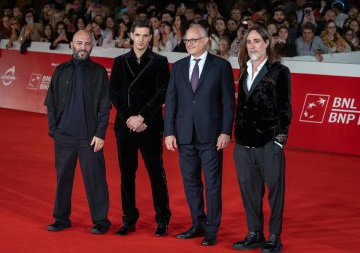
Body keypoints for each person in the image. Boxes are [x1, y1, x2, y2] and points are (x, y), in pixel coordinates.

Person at [164, 24, 235, 246]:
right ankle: (197, 223)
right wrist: (169, 133)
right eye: (187, 40)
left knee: (213, 184)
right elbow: (171, 101)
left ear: (206, 40)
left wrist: (225, 131)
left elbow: (228, 103)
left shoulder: (221, 66)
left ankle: (212, 229)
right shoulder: (177, 67)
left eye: (194, 40)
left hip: (212, 136)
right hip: (184, 135)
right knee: (191, 182)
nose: (190, 44)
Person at [44, 30, 112, 235]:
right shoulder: (60, 71)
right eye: (79, 43)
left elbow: (104, 106)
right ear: (71, 45)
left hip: (89, 138)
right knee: (62, 179)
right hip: (63, 136)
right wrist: (53, 131)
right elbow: (51, 103)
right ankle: (61, 219)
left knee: (96, 180)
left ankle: (101, 221)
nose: (83, 47)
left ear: (92, 46)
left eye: (87, 44)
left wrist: (100, 134)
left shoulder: (99, 72)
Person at [232, 25, 292, 253]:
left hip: (269, 143)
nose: (252, 45)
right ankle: (254, 233)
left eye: (257, 41)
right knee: (249, 191)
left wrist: (279, 140)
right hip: (243, 145)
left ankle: (275, 237)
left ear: (267, 43)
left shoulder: (279, 71)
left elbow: (286, 109)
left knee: (275, 192)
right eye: (249, 42)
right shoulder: (243, 70)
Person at [109, 18, 171, 237]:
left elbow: (162, 92)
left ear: (150, 37)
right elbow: (114, 93)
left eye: (146, 35)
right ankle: (128, 218)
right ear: (131, 36)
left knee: (156, 173)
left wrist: (142, 117)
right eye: (138, 35)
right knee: (127, 175)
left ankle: (162, 219)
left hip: (149, 126)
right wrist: (129, 118)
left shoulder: (160, 61)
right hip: (125, 126)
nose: (142, 39)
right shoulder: (119, 62)